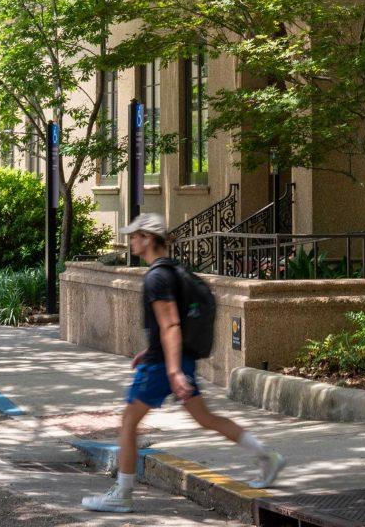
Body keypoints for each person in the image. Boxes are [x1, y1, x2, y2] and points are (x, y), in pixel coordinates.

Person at [82, 212, 285, 513]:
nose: (131, 242)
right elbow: (169, 327)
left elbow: (172, 325)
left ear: (147, 239)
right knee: (206, 419)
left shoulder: (156, 277)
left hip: (164, 366)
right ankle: (266, 456)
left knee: (128, 422)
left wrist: (173, 370)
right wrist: (154, 355)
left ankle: (122, 494)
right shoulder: (174, 271)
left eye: (134, 237)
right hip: (173, 360)